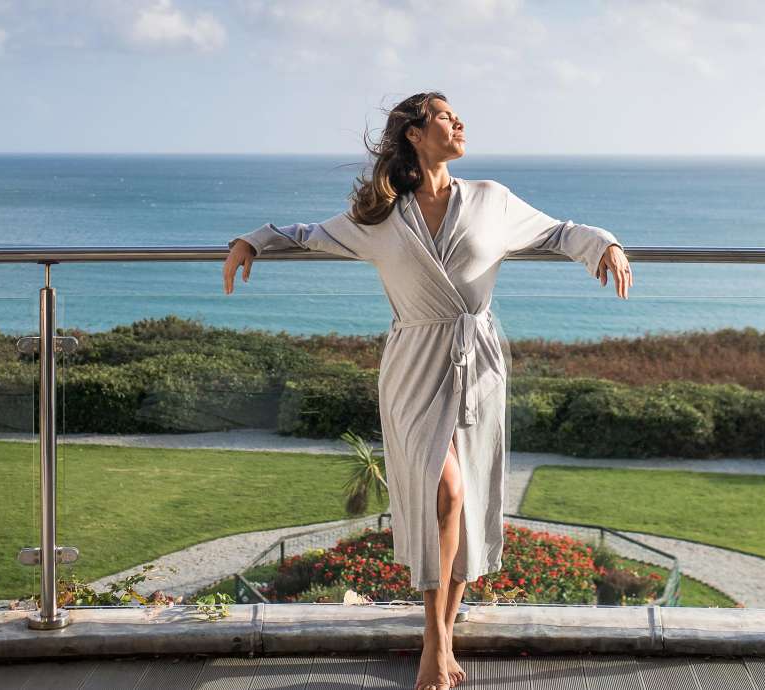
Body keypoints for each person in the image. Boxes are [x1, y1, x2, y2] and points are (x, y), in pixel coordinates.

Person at [222, 91, 633, 690]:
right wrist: (253, 240)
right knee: (442, 492)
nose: (459, 122)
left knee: (462, 499)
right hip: (413, 365)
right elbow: (308, 233)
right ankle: (436, 641)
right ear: (414, 134)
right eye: (445, 116)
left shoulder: (492, 200)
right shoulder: (380, 217)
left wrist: (607, 245)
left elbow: (560, 233)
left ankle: (440, 638)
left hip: (478, 362)